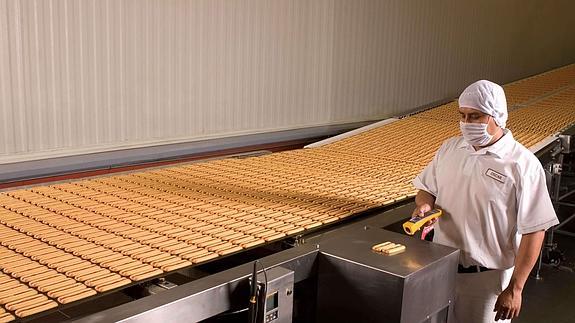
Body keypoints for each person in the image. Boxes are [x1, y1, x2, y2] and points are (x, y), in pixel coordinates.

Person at [412, 80, 559, 323]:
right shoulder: (450, 149)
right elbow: (427, 189)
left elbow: (535, 230)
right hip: (440, 270)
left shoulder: (521, 165)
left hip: (487, 282)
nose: (467, 124)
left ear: (497, 116)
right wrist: (425, 205)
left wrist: (515, 289)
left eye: (476, 116)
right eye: (463, 116)